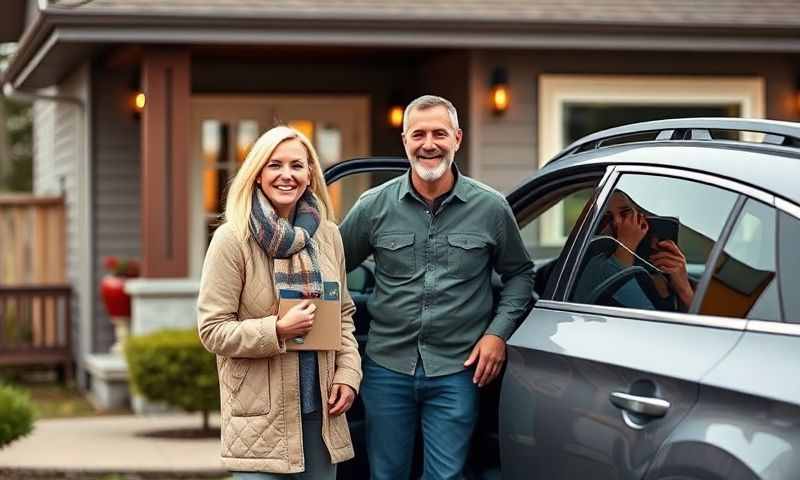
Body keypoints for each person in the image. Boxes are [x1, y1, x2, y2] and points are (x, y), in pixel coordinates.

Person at [339, 95, 535, 480]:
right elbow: (330, 272)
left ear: (457, 139)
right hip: (385, 368)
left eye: (439, 134)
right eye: (419, 134)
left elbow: (520, 275)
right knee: (386, 474)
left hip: (457, 370)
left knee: (446, 476)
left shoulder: (491, 208)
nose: (429, 144)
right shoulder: (373, 206)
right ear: (405, 141)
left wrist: (497, 335)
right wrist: (340, 335)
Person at [197, 126, 362, 479]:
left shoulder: (328, 235)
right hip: (262, 418)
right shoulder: (232, 238)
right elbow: (212, 331)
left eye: (297, 166)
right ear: (258, 175)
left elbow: (344, 314)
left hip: (321, 413)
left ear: (310, 174)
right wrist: (278, 330)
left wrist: (348, 375)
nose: (287, 175)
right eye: (275, 165)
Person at [572, 190, 694, 310]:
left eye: (625, 214)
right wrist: (625, 247)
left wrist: (683, 288)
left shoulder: (661, 269)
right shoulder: (597, 266)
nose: (617, 222)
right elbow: (646, 319)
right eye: (606, 218)